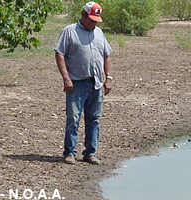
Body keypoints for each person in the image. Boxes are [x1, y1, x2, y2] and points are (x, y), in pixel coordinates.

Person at [54, 1, 112, 165]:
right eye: (91, 19)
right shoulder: (69, 31)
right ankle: (70, 152)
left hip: (96, 83)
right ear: (83, 15)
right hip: (77, 83)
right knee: (73, 118)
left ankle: (90, 153)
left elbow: (106, 55)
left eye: (96, 20)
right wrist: (66, 78)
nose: (93, 23)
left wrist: (109, 77)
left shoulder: (99, 33)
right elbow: (59, 54)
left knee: (94, 119)